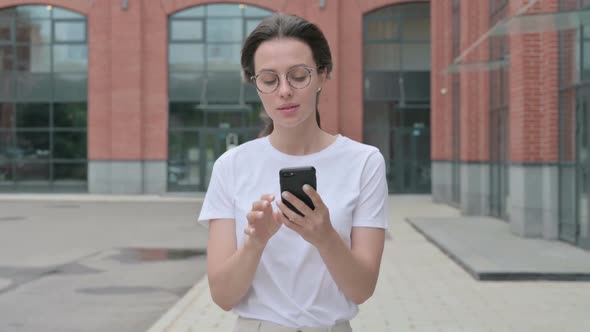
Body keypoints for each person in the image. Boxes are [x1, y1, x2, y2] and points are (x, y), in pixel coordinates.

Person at [198, 13, 389, 332]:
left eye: (299, 76)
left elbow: (362, 289)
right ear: (255, 83)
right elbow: (222, 295)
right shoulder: (232, 165)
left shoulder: (364, 161)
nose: (284, 91)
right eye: (269, 79)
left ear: (323, 75)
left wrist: (325, 236)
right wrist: (255, 242)